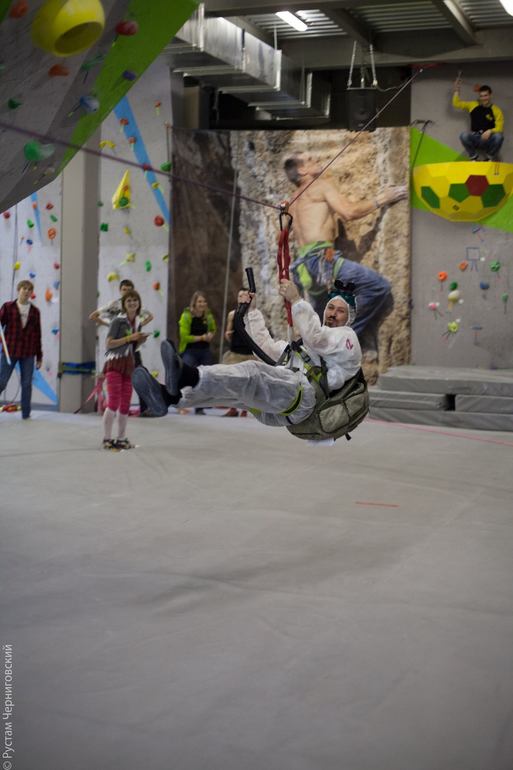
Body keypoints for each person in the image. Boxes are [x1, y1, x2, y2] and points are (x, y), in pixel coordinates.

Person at [131, 280, 362, 437]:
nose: (332, 313)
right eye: (331, 308)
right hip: (285, 398)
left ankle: (188, 375)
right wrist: (251, 311)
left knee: (252, 373)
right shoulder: (313, 344)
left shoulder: (346, 338)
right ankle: (169, 397)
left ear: (349, 316)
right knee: (233, 392)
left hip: (306, 400)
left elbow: (316, 337)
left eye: (340, 310)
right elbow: (266, 347)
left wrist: (297, 300)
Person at [284, 155, 406, 337]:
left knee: (320, 322)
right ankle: (342, 336)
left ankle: (325, 344)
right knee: (378, 287)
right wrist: (383, 198)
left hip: (304, 268)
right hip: (323, 259)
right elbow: (349, 212)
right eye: (310, 160)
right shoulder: (319, 186)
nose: (316, 159)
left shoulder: (292, 202)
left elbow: (282, 237)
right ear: (302, 170)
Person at [89, 279, 154, 416]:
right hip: (117, 352)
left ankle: (144, 408)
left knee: (140, 378)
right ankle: (111, 407)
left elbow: (150, 316)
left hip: (133, 351)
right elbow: (93, 316)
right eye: (124, 290)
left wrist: (140, 328)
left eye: (130, 290)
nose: (127, 293)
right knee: (114, 383)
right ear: (120, 291)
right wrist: (109, 324)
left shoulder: (136, 309)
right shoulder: (114, 306)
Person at [102, 290, 149, 449]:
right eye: (129, 300)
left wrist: (140, 341)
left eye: (135, 300)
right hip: (115, 364)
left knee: (125, 404)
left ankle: (121, 438)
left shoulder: (138, 323)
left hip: (129, 365)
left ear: (139, 304)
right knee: (113, 402)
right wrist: (130, 338)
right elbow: (109, 343)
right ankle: (107, 438)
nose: (132, 303)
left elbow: (132, 347)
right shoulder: (117, 321)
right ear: (124, 304)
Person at [0, 280, 42, 420]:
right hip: (10, 350)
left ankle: (26, 414)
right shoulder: (8, 307)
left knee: (26, 384)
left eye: (29, 289)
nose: (27, 291)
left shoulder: (35, 312)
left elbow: (37, 335)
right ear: (19, 290)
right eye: (24, 288)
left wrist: (39, 357)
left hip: (28, 352)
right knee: (2, 381)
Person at [178, 291, 217, 415]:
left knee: (205, 378)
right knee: (186, 376)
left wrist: (211, 335)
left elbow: (213, 329)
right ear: (194, 303)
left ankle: (200, 406)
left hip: (204, 350)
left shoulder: (208, 316)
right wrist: (201, 338)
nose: (202, 304)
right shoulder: (186, 316)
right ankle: (180, 403)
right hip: (190, 350)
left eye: (204, 301)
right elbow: (184, 337)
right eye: (199, 301)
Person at [221, 288, 254, 417]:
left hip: (249, 354)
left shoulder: (252, 315)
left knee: (247, 382)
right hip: (235, 353)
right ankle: (233, 408)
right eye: (240, 296)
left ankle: (245, 408)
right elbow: (228, 332)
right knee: (233, 381)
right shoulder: (232, 314)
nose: (242, 298)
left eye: (244, 296)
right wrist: (228, 334)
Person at [452, 78, 504, 161]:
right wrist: (456, 90)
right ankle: (474, 157)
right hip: (475, 137)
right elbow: (456, 104)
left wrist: (490, 131)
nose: (483, 98)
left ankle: (489, 158)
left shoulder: (496, 110)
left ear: (490, 95)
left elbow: (500, 128)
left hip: (488, 139)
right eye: (481, 96)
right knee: (464, 135)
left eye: (485, 95)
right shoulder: (472, 105)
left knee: (499, 137)